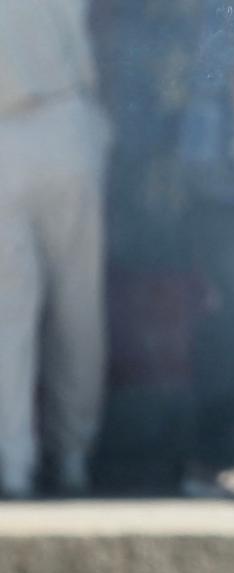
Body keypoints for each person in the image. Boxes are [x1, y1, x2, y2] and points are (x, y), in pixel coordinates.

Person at [0, 0, 111, 497]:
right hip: (67, 116)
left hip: (9, 130)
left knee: (9, 316)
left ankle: (14, 465)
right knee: (78, 308)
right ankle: (72, 457)